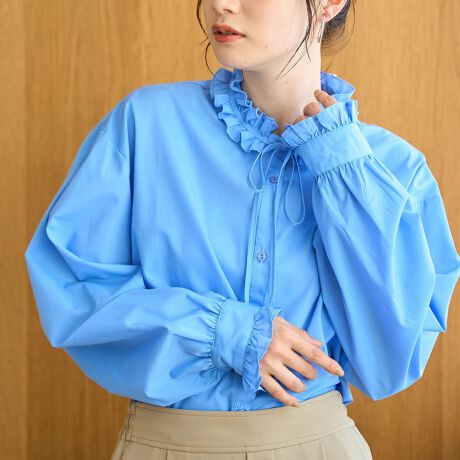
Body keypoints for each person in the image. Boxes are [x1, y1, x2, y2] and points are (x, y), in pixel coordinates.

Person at [24, 0, 460, 458]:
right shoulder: (144, 124)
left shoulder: (391, 170)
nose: (221, 4)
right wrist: (225, 331)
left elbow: (388, 364)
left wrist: (343, 171)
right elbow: (73, 292)